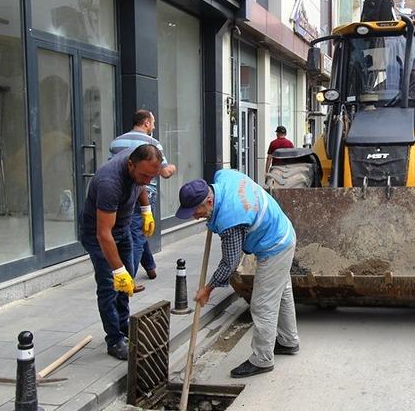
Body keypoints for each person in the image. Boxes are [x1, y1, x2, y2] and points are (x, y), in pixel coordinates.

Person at [176, 170, 300, 378]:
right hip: (283, 231)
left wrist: (208, 289)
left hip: (275, 245)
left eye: (195, 210)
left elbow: (230, 263)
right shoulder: (222, 177)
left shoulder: (231, 219)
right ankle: (288, 341)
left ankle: (262, 360)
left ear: (209, 199)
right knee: (282, 290)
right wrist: (211, 216)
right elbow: (229, 175)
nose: (193, 216)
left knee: (262, 304)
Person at [81, 144, 163, 360]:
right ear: (130, 165)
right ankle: (114, 338)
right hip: (100, 236)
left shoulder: (139, 164)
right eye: (144, 175)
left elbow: (141, 185)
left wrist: (146, 209)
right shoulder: (110, 183)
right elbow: (103, 234)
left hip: (123, 228)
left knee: (127, 283)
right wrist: (117, 270)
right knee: (111, 285)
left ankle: (124, 325)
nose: (147, 180)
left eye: (152, 176)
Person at [109, 109, 176, 292]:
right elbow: (163, 172)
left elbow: (113, 167)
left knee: (138, 230)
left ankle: (150, 267)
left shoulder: (117, 142)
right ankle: (128, 279)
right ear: (146, 123)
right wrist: (172, 168)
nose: (153, 126)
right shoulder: (152, 144)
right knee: (137, 235)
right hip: (145, 194)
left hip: (123, 196)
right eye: (153, 122)